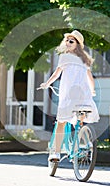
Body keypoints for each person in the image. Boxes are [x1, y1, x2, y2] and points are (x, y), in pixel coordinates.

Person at [40, 30, 100, 161]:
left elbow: (56, 74)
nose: (68, 42)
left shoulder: (65, 57)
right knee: (79, 122)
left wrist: (46, 83)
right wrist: (93, 90)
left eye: (71, 41)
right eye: (67, 40)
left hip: (69, 95)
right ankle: (85, 144)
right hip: (84, 96)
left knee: (61, 122)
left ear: (77, 45)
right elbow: (90, 77)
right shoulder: (85, 59)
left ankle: (55, 153)